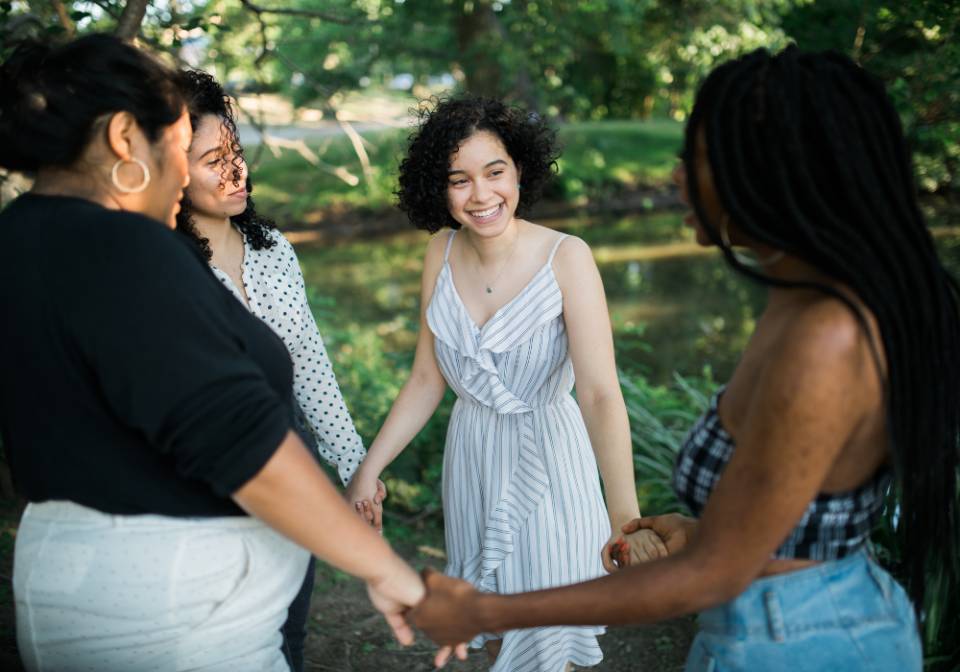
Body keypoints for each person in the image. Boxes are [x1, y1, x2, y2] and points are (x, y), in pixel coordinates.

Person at [410, 47, 960, 672]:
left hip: (807, 642)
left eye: (696, 159)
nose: (677, 178)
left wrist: (484, 613)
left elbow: (711, 576)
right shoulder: (800, 302)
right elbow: (781, 532)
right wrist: (691, 530)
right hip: (764, 630)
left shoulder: (829, 335)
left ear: (767, 174)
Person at [0, 34, 422, 672]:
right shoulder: (122, 248)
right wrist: (388, 571)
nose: (185, 173)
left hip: (81, 576)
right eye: (178, 145)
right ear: (123, 138)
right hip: (175, 612)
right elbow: (240, 441)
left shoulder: (18, 237)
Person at [347, 96, 667, 672]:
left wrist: (626, 517)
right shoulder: (438, 252)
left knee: (552, 640)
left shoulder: (567, 257)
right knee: (492, 636)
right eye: (459, 180)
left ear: (520, 169)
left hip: (552, 460)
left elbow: (599, 394)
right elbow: (426, 378)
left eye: (495, 172)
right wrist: (370, 468)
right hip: (471, 461)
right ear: (438, 189)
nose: (481, 195)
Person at [173, 69, 386, 672]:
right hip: (209, 472)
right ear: (170, 168)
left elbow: (310, 366)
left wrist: (354, 464)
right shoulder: (164, 265)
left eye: (236, 152)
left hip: (293, 459)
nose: (235, 171)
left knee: (287, 629)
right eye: (213, 159)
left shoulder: (273, 249)